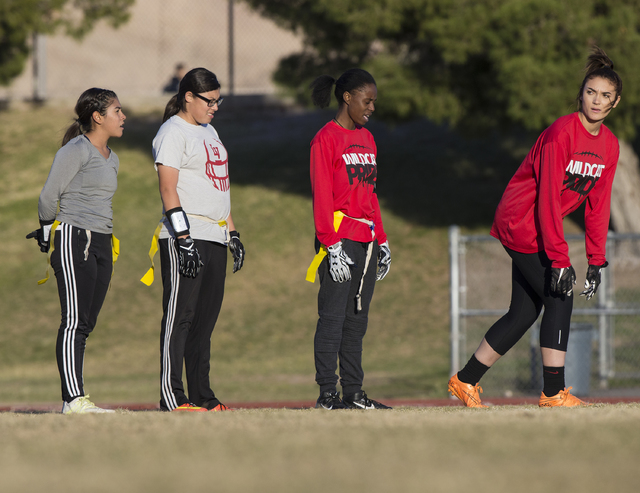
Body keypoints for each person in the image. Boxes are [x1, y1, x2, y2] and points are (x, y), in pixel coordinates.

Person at [448, 47, 622, 408]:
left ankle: (465, 381)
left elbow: (598, 204)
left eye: (605, 95)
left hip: (541, 227)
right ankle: (553, 392)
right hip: (521, 221)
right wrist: (560, 260)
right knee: (560, 296)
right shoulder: (562, 133)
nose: (596, 100)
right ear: (581, 94)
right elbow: (545, 201)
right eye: (591, 92)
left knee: (524, 312)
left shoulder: (609, 146)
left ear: (615, 103)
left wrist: (596, 258)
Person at [150, 67, 244, 412]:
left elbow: (220, 186)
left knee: (205, 319)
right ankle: (172, 396)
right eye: (210, 100)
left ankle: (203, 394)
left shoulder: (210, 131)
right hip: (184, 236)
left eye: (218, 101)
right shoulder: (172, 132)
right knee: (181, 316)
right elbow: (167, 188)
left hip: (215, 234)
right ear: (188, 97)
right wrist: (184, 238)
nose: (215, 107)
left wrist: (231, 232)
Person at [27, 88, 126, 414]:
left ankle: (77, 397)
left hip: (102, 242)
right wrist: (46, 231)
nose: (123, 117)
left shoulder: (113, 158)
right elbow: (47, 197)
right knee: (73, 320)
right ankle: (73, 399)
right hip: (74, 238)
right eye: (117, 111)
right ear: (97, 117)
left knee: (86, 322)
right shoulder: (76, 150)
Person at [307, 68, 392, 410]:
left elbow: (370, 195)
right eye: (367, 100)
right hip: (338, 241)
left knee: (357, 319)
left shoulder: (368, 139)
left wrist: (382, 240)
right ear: (347, 98)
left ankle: (354, 393)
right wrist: (331, 244)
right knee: (333, 317)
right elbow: (322, 196)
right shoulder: (325, 138)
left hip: (365, 240)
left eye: (374, 101)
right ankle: (328, 393)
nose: (371, 107)